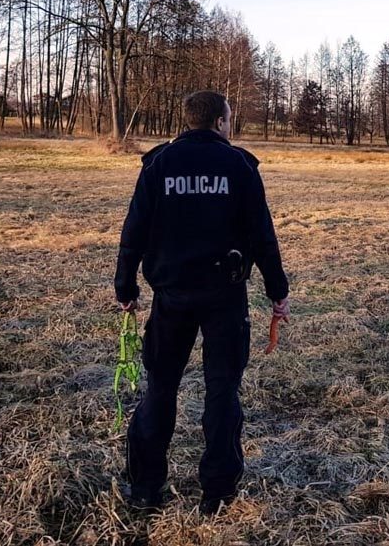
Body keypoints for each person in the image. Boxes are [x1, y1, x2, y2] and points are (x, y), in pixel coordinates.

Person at [114, 90, 290, 516]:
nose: (230, 126)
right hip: (224, 299)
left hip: (170, 297)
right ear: (218, 122)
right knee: (222, 392)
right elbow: (262, 235)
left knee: (160, 389)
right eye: (229, 119)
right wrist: (277, 290)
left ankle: (145, 487)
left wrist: (125, 287)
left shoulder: (158, 163)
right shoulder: (239, 166)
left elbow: (133, 228)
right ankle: (218, 492)